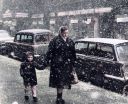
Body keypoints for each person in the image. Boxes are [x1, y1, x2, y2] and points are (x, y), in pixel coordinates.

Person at [44, 26, 76, 104]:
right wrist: (47, 61)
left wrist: (73, 63)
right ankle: (59, 98)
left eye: (67, 33)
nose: (65, 35)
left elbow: (73, 53)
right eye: (64, 33)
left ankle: (59, 98)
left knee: (63, 82)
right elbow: (49, 52)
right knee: (59, 82)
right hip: (57, 65)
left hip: (66, 65)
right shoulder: (55, 41)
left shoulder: (70, 41)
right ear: (60, 33)